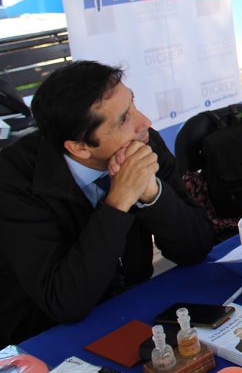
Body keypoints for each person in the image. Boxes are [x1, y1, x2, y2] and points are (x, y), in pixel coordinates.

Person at [0, 61, 214, 347]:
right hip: (42, 339)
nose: (145, 122)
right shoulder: (12, 181)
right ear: (80, 147)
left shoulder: (142, 145)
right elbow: (64, 303)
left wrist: (152, 194)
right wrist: (118, 202)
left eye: (133, 104)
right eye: (124, 119)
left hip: (132, 308)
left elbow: (197, 247)